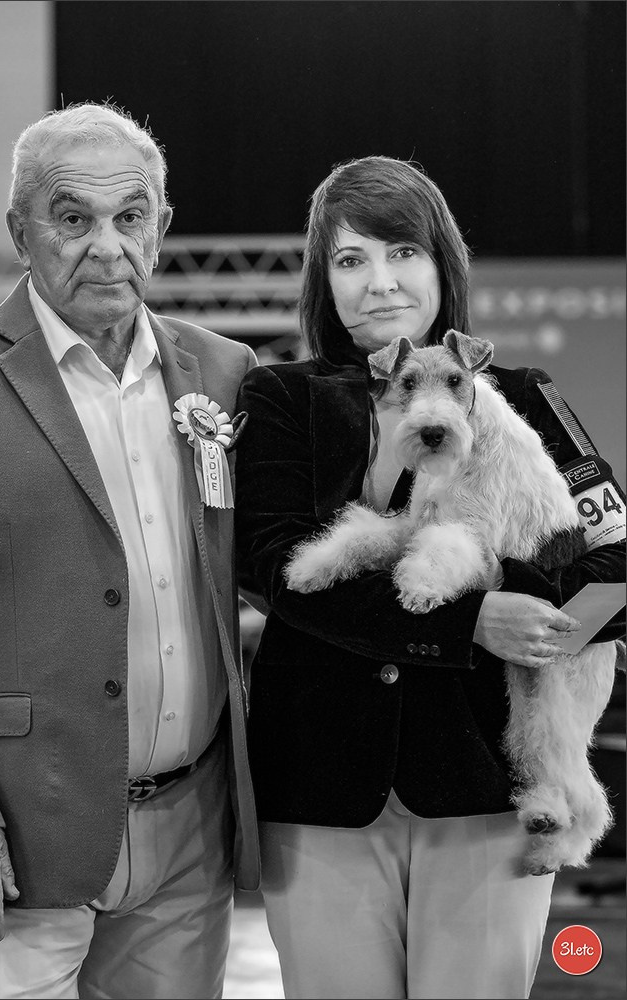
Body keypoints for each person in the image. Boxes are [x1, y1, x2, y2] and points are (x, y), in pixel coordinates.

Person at [0, 101, 260, 1000]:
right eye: (72, 218)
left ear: (161, 229)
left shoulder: (226, 369)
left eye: (130, 217)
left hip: (192, 828)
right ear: (21, 233)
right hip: (17, 836)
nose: (105, 245)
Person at [233, 155, 625, 1000]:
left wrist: (547, 630)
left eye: (403, 251)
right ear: (320, 281)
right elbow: (274, 568)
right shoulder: (276, 399)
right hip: (320, 792)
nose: (381, 283)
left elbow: (621, 566)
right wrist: (469, 622)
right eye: (349, 260)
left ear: (443, 261)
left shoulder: (528, 396)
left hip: (491, 791)